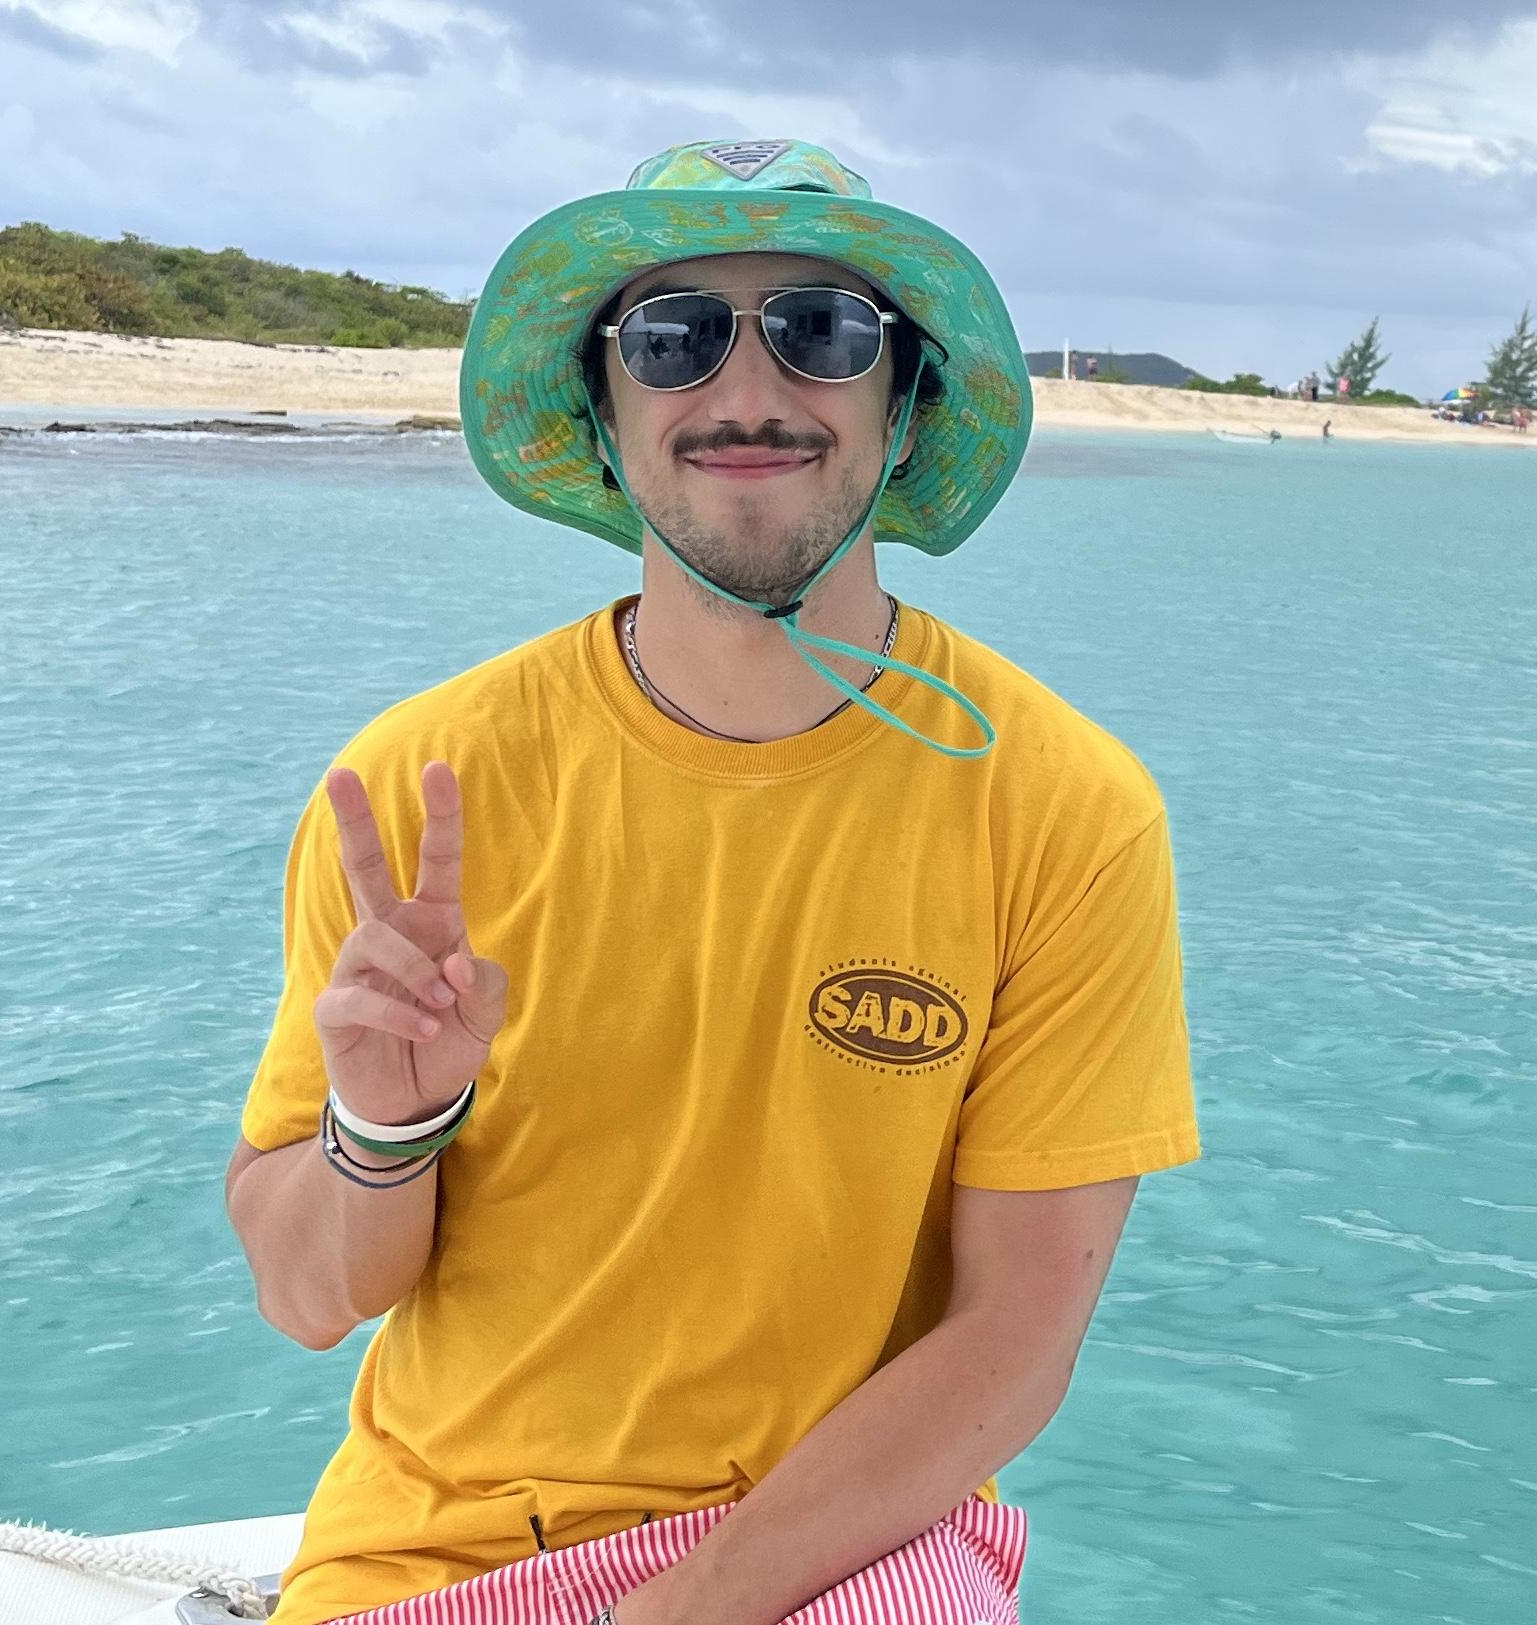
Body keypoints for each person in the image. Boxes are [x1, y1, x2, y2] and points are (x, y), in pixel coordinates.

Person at [225, 137, 1202, 1625]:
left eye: (824, 329)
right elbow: (307, 1299)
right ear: (602, 408)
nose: (748, 392)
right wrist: (386, 1125)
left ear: (904, 401)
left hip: (842, 1540)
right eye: (673, 337)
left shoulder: (1065, 812)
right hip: (439, 1550)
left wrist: (683, 1609)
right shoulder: (421, 789)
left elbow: (1012, 1336)